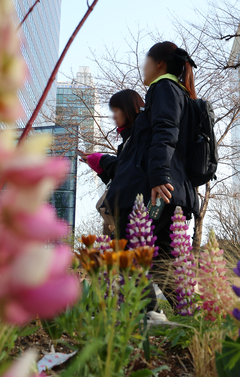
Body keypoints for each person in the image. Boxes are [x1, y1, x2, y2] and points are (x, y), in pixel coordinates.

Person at [90, 42, 199, 316]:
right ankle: (189, 316)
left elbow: (165, 130)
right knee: (164, 256)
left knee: (130, 247)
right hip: (168, 189)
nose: (143, 67)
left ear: (159, 63)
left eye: (146, 61)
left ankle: (147, 315)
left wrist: (159, 175)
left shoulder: (163, 88)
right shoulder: (178, 92)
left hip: (157, 189)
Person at [80, 89, 145, 236]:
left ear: (128, 109)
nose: (113, 116)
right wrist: (99, 167)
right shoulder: (128, 139)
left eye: (116, 110)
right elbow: (118, 179)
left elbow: (126, 170)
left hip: (135, 208)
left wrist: (101, 159)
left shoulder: (139, 136)